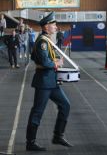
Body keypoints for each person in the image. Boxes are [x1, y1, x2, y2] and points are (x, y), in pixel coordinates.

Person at [26, 12, 72, 151]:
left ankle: (58, 135)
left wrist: (55, 60)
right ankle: (30, 142)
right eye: (53, 24)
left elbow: (39, 57)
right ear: (46, 27)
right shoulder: (43, 42)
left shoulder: (46, 40)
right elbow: (45, 61)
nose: (56, 27)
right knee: (37, 112)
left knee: (65, 105)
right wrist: (56, 63)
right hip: (44, 81)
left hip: (51, 81)